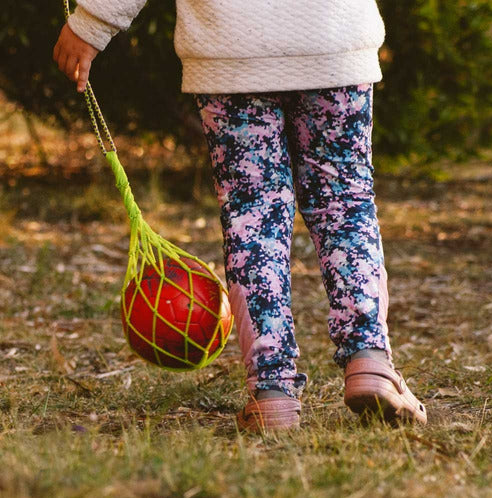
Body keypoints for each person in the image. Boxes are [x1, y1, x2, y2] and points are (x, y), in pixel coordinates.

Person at [53, 0, 427, 431]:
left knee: (253, 212)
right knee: (343, 202)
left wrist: (92, 23)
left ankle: (271, 390)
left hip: (230, 49)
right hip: (331, 39)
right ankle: (370, 360)